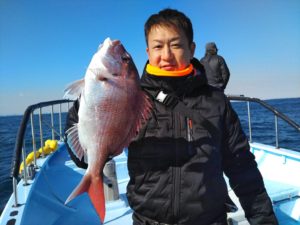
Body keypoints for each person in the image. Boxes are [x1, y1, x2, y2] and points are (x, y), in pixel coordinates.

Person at [65, 8, 278, 225]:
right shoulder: (134, 99)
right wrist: (87, 101)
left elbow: (242, 167)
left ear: (192, 48)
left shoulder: (216, 102)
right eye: (158, 46)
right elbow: (80, 161)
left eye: (175, 45)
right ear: (148, 52)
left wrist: (264, 220)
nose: (166, 55)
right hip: (147, 221)